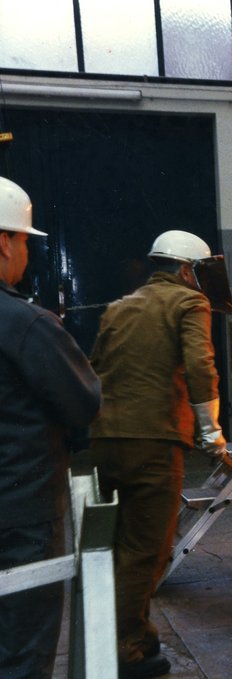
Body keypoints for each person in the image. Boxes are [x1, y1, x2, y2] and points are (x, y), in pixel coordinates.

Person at [89, 230, 230, 679]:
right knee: (145, 552)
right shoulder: (189, 302)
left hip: (104, 442)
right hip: (153, 442)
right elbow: (199, 363)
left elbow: (94, 370)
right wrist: (211, 430)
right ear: (188, 270)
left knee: (113, 549)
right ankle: (125, 652)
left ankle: (135, 635)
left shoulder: (119, 307)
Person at [0, 177, 102, 677]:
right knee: (22, 647)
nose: (25, 252)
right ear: (4, 242)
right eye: (23, 241)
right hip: (21, 520)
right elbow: (83, 402)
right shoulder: (25, 322)